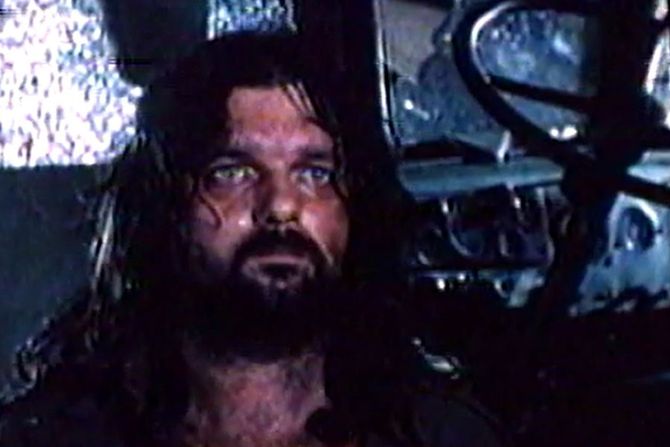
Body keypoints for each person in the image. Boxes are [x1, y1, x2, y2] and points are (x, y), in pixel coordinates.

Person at [0, 33, 503, 447]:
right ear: (165, 207)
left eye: (315, 174)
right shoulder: (54, 436)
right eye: (233, 172)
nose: (281, 206)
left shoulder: (436, 435)